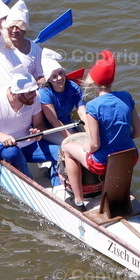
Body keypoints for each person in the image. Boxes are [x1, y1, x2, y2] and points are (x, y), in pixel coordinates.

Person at [61, 50, 140, 210]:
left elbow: (95, 144)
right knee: (117, 153)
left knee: (68, 149)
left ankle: (78, 202)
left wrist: (87, 148)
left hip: (102, 164)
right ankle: (119, 196)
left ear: (95, 81)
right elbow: (138, 132)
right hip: (131, 156)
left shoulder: (93, 107)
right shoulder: (126, 97)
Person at [0, 72, 46, 178]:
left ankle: (60, 181)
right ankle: (29, 182)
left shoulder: (34, 98)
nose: (34, 95)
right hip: (0, 145)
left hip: (26, 141)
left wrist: (37, 132)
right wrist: (1, 135)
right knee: (13, 153)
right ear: (16, 93)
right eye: (30, 92)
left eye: (35, 90)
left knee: (59, 151)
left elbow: (39, 123)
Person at [37, 54, 88, 193]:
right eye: (54, 76)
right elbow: (53, 121)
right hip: (49, 128)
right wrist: (70, 138)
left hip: (68, 123)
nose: (59, 78)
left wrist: (90, 132)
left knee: (88, 141)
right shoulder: (45, 93)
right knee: (71, 147)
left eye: (60, 73)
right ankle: (62, 178)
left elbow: (83, 112)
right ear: (48, 79)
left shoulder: (73, 87)